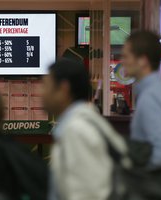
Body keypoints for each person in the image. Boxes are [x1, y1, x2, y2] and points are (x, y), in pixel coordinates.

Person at [43, 58, 128, 200]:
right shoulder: (87, 121)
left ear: (64, 89)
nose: (42, 92)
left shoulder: (76, 131)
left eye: (46, 86)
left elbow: (87, 194)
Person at [122, 31, 161, 182]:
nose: (122, 61)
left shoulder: (149, 98)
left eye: (126, 56)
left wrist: (131, 171)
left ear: (142, 60)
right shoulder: (160, 91)